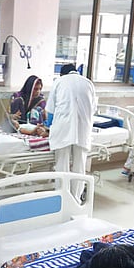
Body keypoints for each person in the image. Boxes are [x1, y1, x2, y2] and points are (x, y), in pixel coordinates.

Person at [46, 63, 97, 198]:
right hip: (83, 129)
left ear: (62, 74)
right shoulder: (88, 83)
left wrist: (47, 126)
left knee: (61, 164)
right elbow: (93, 109)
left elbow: (50, 110)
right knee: (80, 166)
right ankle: (76, 199)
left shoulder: (59, 81)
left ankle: (62, 197)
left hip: (63, 127)